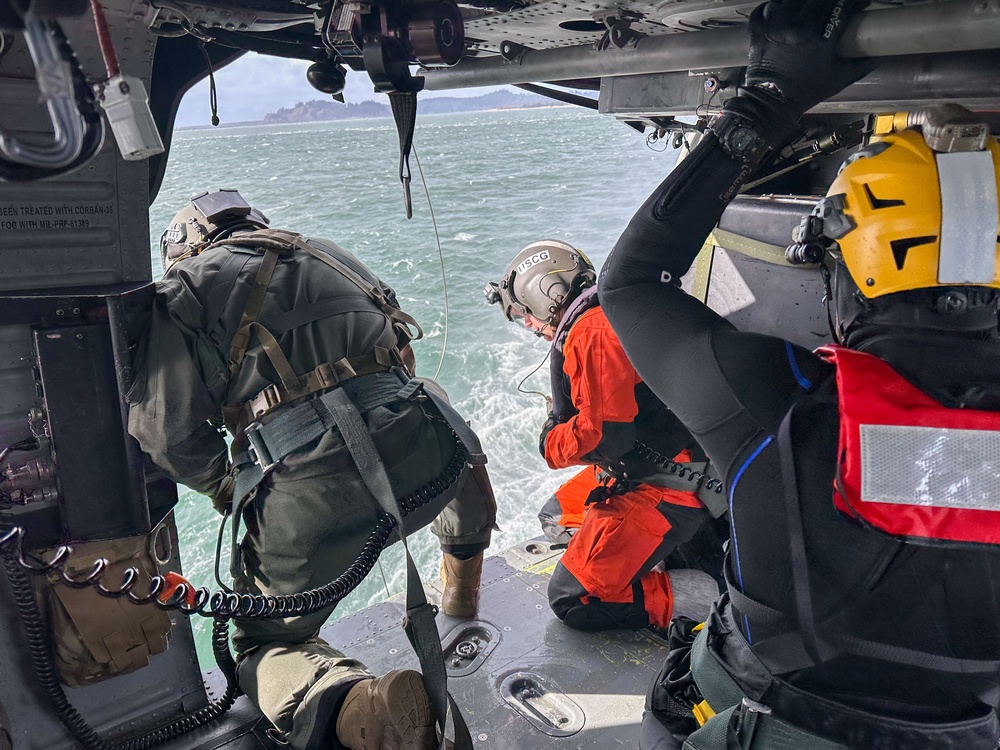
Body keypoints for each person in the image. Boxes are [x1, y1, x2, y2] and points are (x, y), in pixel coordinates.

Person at [600, 2, 1000, 748]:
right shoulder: (772, 403)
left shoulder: (777, 406)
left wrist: (768, 101)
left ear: (848, 278)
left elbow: (626, 285)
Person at [127, 189, 496, 750]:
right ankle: (462, 596)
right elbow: (404, 358)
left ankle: (364, 707)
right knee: (441, 418)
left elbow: (164, 433)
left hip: (318, 493)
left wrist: (225, 486)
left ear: (187, 247)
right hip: (429, 463)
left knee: (262, 644)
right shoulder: (329, 254)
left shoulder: (187, 289)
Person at [486, 240, 726, 633]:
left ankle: (708, 597)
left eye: (525, 313)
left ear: (547, 294)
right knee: (555, 515)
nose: (529, 324)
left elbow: (603, 439)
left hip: (671, 486)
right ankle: (642, 556)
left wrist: (551, 439)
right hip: (660, 468)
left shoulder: (592, 333)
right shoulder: (613, 310)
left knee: (572, 598)